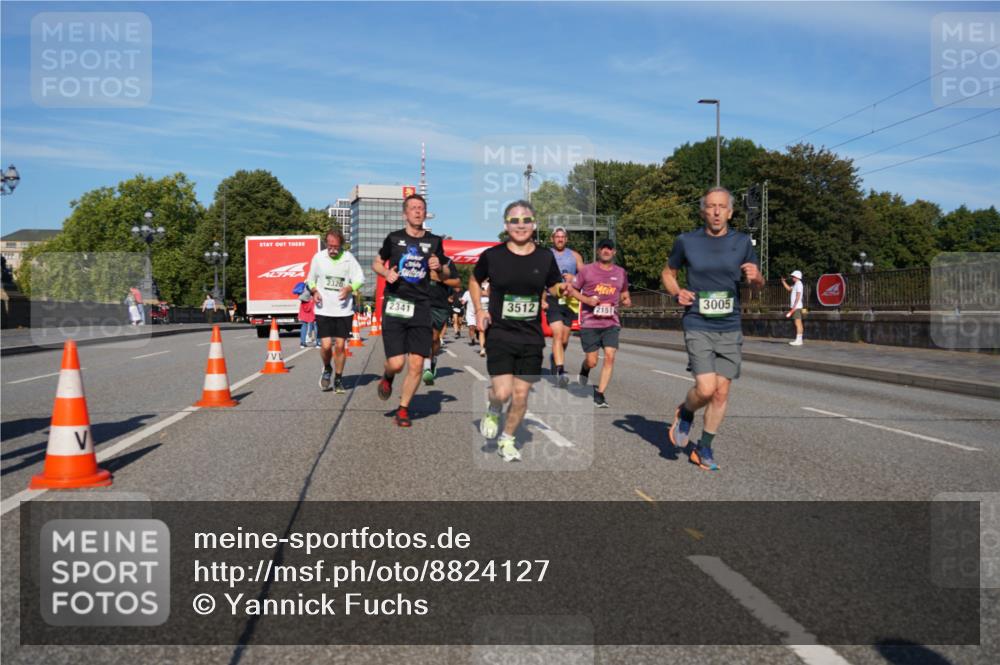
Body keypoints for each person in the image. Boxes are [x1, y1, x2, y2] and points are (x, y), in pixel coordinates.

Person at [662, 186, 763, 471]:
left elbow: (758, 282)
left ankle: (704, 447)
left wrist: (756, 277)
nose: (717, 211)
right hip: (697, 321)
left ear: (730, 212)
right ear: (703, 211)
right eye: (711, 206)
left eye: (722, 207)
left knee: (721, 393)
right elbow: (668, 273)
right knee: (706, 389)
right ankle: (686, 410)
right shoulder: (686, 241)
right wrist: (676, 292)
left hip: (730, 325)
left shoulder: (742, 242)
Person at [472, 200, 562, 462]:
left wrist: (561, 289)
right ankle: (493, 408)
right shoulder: (493, 256)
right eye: (514, 220)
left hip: (531, 337)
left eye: (526, 220)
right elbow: (475, 280)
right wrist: (479, 309)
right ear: (505, 225)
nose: (520, 225)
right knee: (502, 392)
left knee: (521, 395)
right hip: (501, 333)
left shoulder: (545, 257)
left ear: (534, 225)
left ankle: (507, 439)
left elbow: (554, 285)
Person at [372, 193, 450, 427]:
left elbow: (446, 273)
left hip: (421, 306)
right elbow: (376, 262)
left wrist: (439, 268)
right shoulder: (394, 239)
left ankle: (403, 409)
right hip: (396, 303)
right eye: (413, 208)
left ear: (425, 213)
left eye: (421, 208)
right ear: (405, 213)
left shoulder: (435, 241)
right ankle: (387, 377)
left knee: (416, 364)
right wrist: (386, 273)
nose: (417, 211)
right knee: (397, 364)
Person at [564, 238, 631, 408]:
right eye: (603, 248)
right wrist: (586, 299)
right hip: (590, 323)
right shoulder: (587, 271)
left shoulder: (621, 272)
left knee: (610, 356)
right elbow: (571, 290)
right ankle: (584, 370)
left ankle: (600, 394)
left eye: (609, 249)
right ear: (598, 251)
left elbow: (624, 293)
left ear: (614, 252)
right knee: (592, 361)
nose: (606, 251)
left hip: (611, 323)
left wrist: (626, 300)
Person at [308, 229, 365, 393]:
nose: (332, 250)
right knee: (326, 346)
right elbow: (310, 279)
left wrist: (349, 287)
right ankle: (327, 368)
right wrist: (314, 291)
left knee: (340, 346)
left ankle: (339, 379)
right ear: (326, 243)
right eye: (329, 246)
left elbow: (360, 278)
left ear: (341, 245)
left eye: (336, 247)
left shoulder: (348, 259)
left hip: (343, 310)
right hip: (323, 308)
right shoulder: (318, 258)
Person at [545, 226, 584, 387]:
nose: (560, 239)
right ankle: (561, 371)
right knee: (558, 335)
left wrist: (574, 278)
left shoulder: (574, 256)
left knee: (565, 339)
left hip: (570, 301)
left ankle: (555, 359)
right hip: (553, 298)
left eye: (562, 237)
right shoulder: (546, 254)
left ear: (566, 239)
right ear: (552, 239)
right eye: (557, 236)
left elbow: (586, 277)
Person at [423, 257, 460, 385]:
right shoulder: (420, 258)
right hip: (422, 303)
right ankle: (426, 367)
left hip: (440, 305)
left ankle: (433, 360)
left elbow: (457, 283)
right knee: (424, 335)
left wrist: (438, 279)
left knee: (434, 337)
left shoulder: (448, 262)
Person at [782, 270, 805, 346]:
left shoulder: (799, 284)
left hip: (796, 307)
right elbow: (789, 289)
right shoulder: (796, 284)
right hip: (796, 307)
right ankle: (799, 339)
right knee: (798, 323)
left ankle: (799, 340)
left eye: (793, 276)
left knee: (798, 323)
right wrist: (783, 282)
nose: (792, 278)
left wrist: (794, 307)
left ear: (797, 277)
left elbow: (798, 296)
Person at [295, 283, 317, 349]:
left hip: (304, 305)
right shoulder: (314, 282)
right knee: (316, 324)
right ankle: (318, 343)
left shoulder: (305, 283)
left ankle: (302, 343)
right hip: (312, 304)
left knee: (304, 324)